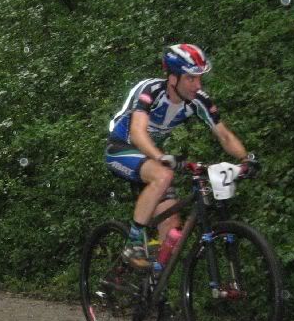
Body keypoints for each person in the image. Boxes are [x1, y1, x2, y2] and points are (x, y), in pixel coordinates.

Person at [105, 44, 259, 274]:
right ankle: (133, 244)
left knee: (171, 225)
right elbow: (137, 133)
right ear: (173, 78)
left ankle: (154, 286)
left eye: (199, 79)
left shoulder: (198, 101)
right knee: (164, 174)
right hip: (121, 148)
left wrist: (246, 159)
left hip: (152, 156)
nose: (198, 85)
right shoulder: (151, 90)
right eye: (191, 78)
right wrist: (160, 157)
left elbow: (224, 136)